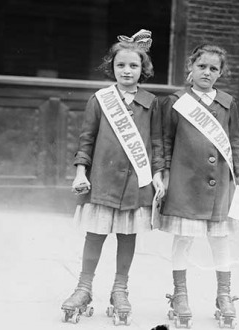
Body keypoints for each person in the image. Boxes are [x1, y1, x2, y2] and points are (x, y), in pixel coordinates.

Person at [61, 29, 165, 325]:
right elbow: (86, 139)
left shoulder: (151, 102)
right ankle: (83, 288)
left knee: (127, 236)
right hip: (102, 181)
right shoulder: (100, 99)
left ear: (142, 69)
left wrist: (158, 175)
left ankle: (120, 288)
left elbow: (157, 143)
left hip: (136, 183)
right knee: (94, 235)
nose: (127, 70)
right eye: (121, 65)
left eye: (133, 65)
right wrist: (81, 172)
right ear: (112, 67)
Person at [158, 44, 239, 328]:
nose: (207, 72)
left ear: (221, 73)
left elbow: (233, 141)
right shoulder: (176, 101)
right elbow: (164, 141)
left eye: (214, 69)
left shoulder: (227, 102)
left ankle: (224, 295)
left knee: (220, 239)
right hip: (185, 181)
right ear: (191, 67)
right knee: (184, 238)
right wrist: (162, 173)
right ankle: (180, 294)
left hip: (219, 183)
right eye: (202, 66)